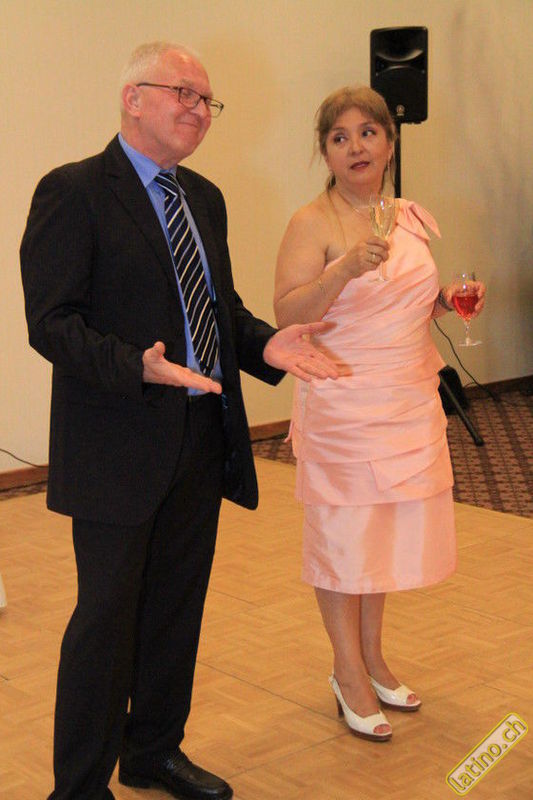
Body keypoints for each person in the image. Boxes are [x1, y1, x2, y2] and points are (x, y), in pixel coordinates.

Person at [20, 42, 338, 800]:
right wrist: (136, 364)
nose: (199, 110)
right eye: (183, 94)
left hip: (200, 434)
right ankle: (79, 787)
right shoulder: (74, 190)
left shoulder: (204, 197)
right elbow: (52, 322)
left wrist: (265, 345)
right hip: (116, 441)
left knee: (174, 608)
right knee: (105, 620)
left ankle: (154, 752)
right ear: (132, 98)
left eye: (207, 100)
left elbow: (218, 309)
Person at [274, 86, 485, 742]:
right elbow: (287, 315)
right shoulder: (311, 221)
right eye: (339, 137)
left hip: (406, 397)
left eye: (368, 132)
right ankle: (346, 671)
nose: (356, 146)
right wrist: (341, 271)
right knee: (344, 540)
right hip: (343, 402)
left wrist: (444, 300)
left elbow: (402, 303)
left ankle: (373, 658)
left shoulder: (406, 217)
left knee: (379, 540)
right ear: (325, 153)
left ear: (389, 144)